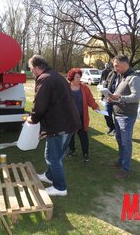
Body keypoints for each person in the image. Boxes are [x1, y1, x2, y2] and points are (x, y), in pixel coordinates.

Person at [26, 55, 80, 196]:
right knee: (57, 155)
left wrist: (33, 118)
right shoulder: (55, 75)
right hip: (68, 123)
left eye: (32, 70)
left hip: (61, 125)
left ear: (38, 68)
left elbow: (40, 105)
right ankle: (50, 176)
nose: (32, 73)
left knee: (52, 157)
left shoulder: (45, 79)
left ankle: (60, 187)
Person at [107, 55, 140, 180]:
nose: (114, 68)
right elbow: (120, 94)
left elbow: (136, 97)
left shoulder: (134, 78)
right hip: (118, 114)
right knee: (119, 140)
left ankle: (125, 169)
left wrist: (119, 98)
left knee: (126, 143)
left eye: (116, 65)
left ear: (125, 64)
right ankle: (121, 161)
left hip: (127, 116)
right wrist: (112, 98)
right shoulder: (122, 77)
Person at [66, 68, 100, 162]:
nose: (79, 79)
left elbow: (90, 99)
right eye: (77, 77)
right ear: (72, 77)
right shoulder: (66, 87)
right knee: (70, 135)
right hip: (70, 118)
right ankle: (71, 150)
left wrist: (95, 106)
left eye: (79, 77)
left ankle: (85, 154)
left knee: (83, 136)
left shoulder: (84, 87)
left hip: (81, 116)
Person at [101, 69, 118, 135]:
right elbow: (106, 84)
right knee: (106, 114)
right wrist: (103, 95)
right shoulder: (111, 73)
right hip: (108, 97)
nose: (115, 67)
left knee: (116, 116)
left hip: (117, 98)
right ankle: (111, 127)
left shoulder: (123, 74)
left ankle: (116, 130)